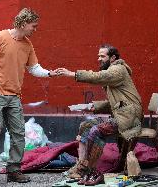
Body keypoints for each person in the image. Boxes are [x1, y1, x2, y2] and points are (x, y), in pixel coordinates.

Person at [0, 8, 57, 184]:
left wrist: (50, 73)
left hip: (14, 95)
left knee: (19, 133)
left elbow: (33, 68)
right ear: (24, 23)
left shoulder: (27, 45)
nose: (35, 29)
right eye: (34, 26)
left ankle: (13, 170)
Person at [56, 44, 143, 185]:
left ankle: (91, 171)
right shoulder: (113, 72)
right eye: (98, 56)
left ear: (113, 58)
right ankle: (82, 167)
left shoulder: (118, 69)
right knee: (86, 125)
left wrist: (72, 74)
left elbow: (99, 77)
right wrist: (91, 106)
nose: (99, 59)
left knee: (96, 131)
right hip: (122, 116)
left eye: (102, 56)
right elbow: (116, 104)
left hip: (129, 119)